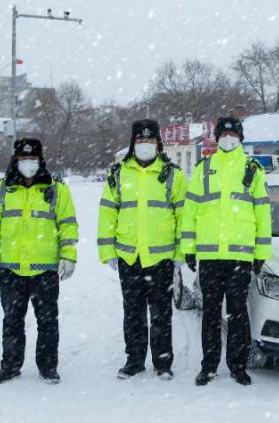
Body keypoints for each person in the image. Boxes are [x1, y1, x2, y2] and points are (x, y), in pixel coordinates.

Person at [181, 116, 272, 386]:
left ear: (240, 138)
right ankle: (208, 367)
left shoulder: (253, 169)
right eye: (223, 134)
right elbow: (191, 210)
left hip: (240, 256)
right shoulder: (204, 168)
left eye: (233, 134)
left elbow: (263, 213)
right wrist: (188, 247)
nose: (228, 138)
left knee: (237, 314)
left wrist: (261, 253)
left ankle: (237, 366)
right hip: (210, 256)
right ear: (216, 138)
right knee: (210, 314)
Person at [0, 138, 79, 385]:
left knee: (47, 321)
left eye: (32, 159)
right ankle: (10, 366)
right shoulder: (2, 189)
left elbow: (67, 225)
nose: (28, 163)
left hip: (45, 269)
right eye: (23, 159)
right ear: (16, 161)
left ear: (40, 160)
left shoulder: (56, 189)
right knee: (12, 321)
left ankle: (48, 367)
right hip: (11, 268)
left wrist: (68, 256)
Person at [97, 119, 187, 380]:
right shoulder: (118, 174)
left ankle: (162, 363)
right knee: (133, 314)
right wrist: (108, 252)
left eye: (149, 140)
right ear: (132, 143)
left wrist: (181, 253)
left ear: (158, 143)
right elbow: (107, 215)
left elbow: (183, 216)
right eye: (140, 140)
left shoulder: (173, 174)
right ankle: (134, 361)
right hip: (129, 257)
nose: (144, 145)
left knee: (161, 314)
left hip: (161, 258)